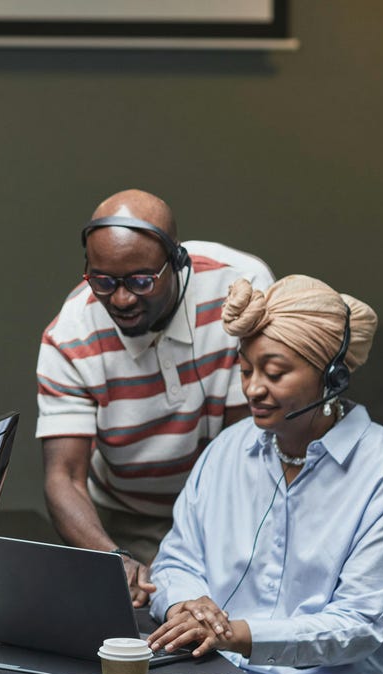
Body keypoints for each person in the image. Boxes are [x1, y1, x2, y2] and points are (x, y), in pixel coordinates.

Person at [147, 275, 383, 674]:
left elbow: (356, 624)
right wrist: (187, 605)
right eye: (245, 370)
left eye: (274, 373)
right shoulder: (227, 451)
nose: (253, 388)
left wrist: (234, 634)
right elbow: (176, 559)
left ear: (331, 377)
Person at [36, 189, 273, 606]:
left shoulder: (241, 287)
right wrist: (112, 559)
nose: (122, 299)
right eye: (103, 282)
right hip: (128, 523)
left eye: (141, 281)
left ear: (177, 263)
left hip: (234, 511)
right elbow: (65, 478)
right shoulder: (70, 337)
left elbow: (254, 447)